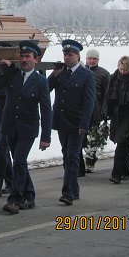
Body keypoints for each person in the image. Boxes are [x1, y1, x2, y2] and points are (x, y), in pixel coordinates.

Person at [0, 40, 52, 214]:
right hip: (10, 127)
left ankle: (15, 199)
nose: (23, 59)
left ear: (36, 59)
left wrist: (46, 137)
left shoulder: (40, 81)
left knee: (19, 161)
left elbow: (46, 110)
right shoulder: (12, 75)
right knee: (19, 163)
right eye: (21, 56)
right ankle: (29, 195)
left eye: (27, 56)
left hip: (28, 129)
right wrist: (5, 68)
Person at [49, 39, 96, 206]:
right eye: (65, 54)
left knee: (72, 156)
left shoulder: (87, 75)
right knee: (65, 154)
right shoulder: (60, 72)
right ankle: (74, 190)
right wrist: (53, 76)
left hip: (77, 123)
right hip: (62, 121)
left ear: (78, 56)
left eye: (70, 54)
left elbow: (89, 102)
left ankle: (68, 192)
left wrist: (85, 124)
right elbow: (46, 88)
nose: (67, 57)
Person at [106, 56, 129, 184]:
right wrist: (106, 112)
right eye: (121, 69)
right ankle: (126, 170)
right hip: (116, 113)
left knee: (121, 142)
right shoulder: (114, 77)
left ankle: (116, 173)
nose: (123, 72)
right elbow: (108, 95)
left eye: (126, 69)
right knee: (124, 144)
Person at [82, 48, 110, 173]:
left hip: (96, 111)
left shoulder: (104, 74)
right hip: (81, 111)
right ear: (86, 59)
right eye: (89, 58)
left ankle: (90, 161)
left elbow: (107, 94)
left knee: (93, 138)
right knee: (81, 138)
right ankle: (80, 162)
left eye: (94, 59)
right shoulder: (81, 71)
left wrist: (105, 111)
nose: (92, 61)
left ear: (98, 60)